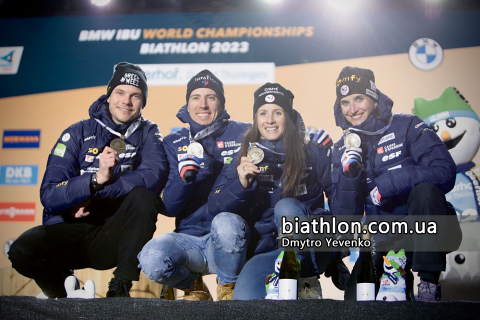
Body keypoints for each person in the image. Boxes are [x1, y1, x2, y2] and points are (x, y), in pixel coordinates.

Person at [8, 62, 168, 298]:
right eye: (120, 93)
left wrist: (97, 189)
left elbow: (152, 177)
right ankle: (60, 294)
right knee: (21, 250)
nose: (126, 101)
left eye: (136, 96)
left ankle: (120, 287)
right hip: (69, 233)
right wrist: (93, 181)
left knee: (144, 197)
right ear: (108, 94)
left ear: (143, 102)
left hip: (112, 236)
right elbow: (50, 196)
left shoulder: (148, 132)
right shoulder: (77, 132)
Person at [330, 66, 459, 301]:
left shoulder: (407, 125)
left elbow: (444, 171)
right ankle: (396, 276)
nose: (353, 109)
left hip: (422, 232)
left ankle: (428, 283)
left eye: (359, 98)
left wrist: (389, 183)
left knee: (426, 191)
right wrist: (349, 177)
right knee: (353, 304)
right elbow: (343, 218)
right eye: (345, 102)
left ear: (374, 98)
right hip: (380, 238)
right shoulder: (341, 148)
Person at [206, 83, 344, 300]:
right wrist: (240, 184)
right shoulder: (243, 154)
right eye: (263, 113)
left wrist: (338, 256)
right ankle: (284, 275)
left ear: (287, 116)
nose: (269, 120)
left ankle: (303, 276)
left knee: (286, 207)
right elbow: (215, 209)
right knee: (245, 301)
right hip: (269, 251)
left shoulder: (312, 151)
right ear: (256, 118)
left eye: (277, 112)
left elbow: (339, 203)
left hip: (310, 248)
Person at [137, 70, 251, 301]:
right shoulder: (172, 142)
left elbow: (279, 133)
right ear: (187, 104)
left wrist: (303, 132)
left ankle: (228, 287)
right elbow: (169, 207)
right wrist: (184, 179)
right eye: (196, 97)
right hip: (189, 241)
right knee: (151, 258)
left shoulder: (244, 133)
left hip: (230, 241)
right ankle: (193, 286)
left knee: (226, 223)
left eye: (211, 97)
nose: (203, 105)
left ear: (221, 102)